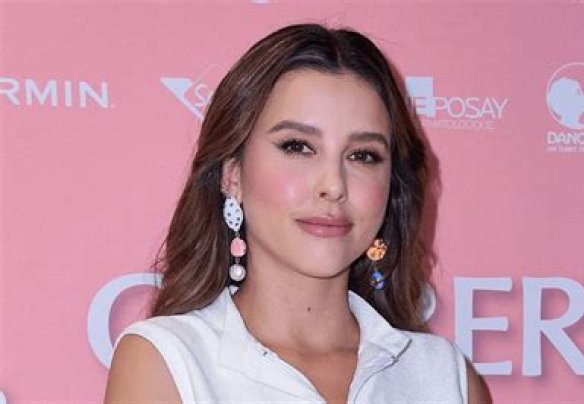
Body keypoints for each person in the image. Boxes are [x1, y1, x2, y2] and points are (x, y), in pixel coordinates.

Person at [105, 23, 491, 403]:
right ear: (233, 174)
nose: (333, 185)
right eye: (298, 147)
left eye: (363, 155)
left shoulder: (445, 377)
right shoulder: (170, 362)